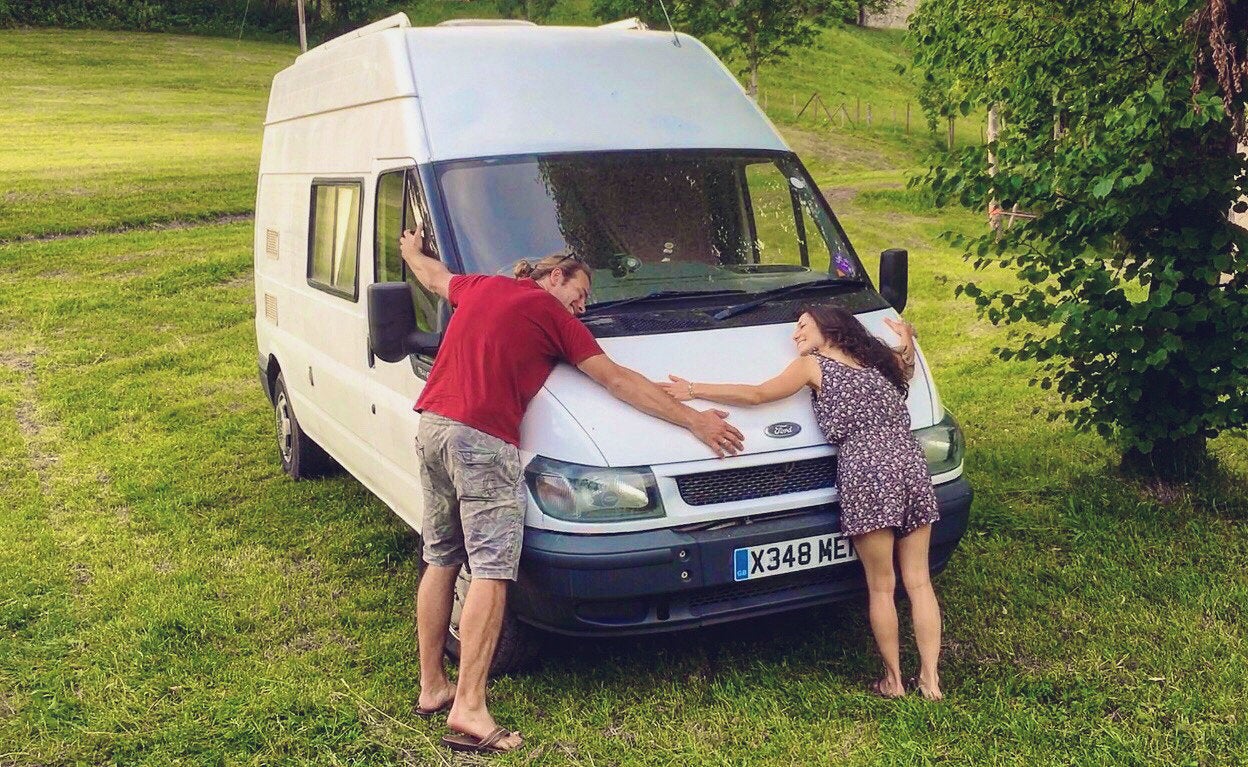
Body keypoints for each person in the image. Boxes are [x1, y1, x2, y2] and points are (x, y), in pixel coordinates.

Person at [398, 228, 746, 754]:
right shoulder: (551, 314)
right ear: (554, 277)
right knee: (492, 569)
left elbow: (434, 276)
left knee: (442, 557)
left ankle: (432, 686)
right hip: (481, 438)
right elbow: (618, 380)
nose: (580, 309)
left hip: (433, 426)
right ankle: (469, 707)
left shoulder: (484, 287)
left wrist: (409, 252)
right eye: (579, 295)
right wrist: (693, 421)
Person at [659, 305, 944, 701]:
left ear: (828, 327)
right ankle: (930, 681)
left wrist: (693, 390)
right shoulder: (878, 362)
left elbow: (756, 394)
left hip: (865, 467)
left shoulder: (814, 366)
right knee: (918, 580)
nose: (796, 335)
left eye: (802, 326)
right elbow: (907, 365)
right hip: (908, 461)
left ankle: (894, 681)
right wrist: (907, 340)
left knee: (881, 586)